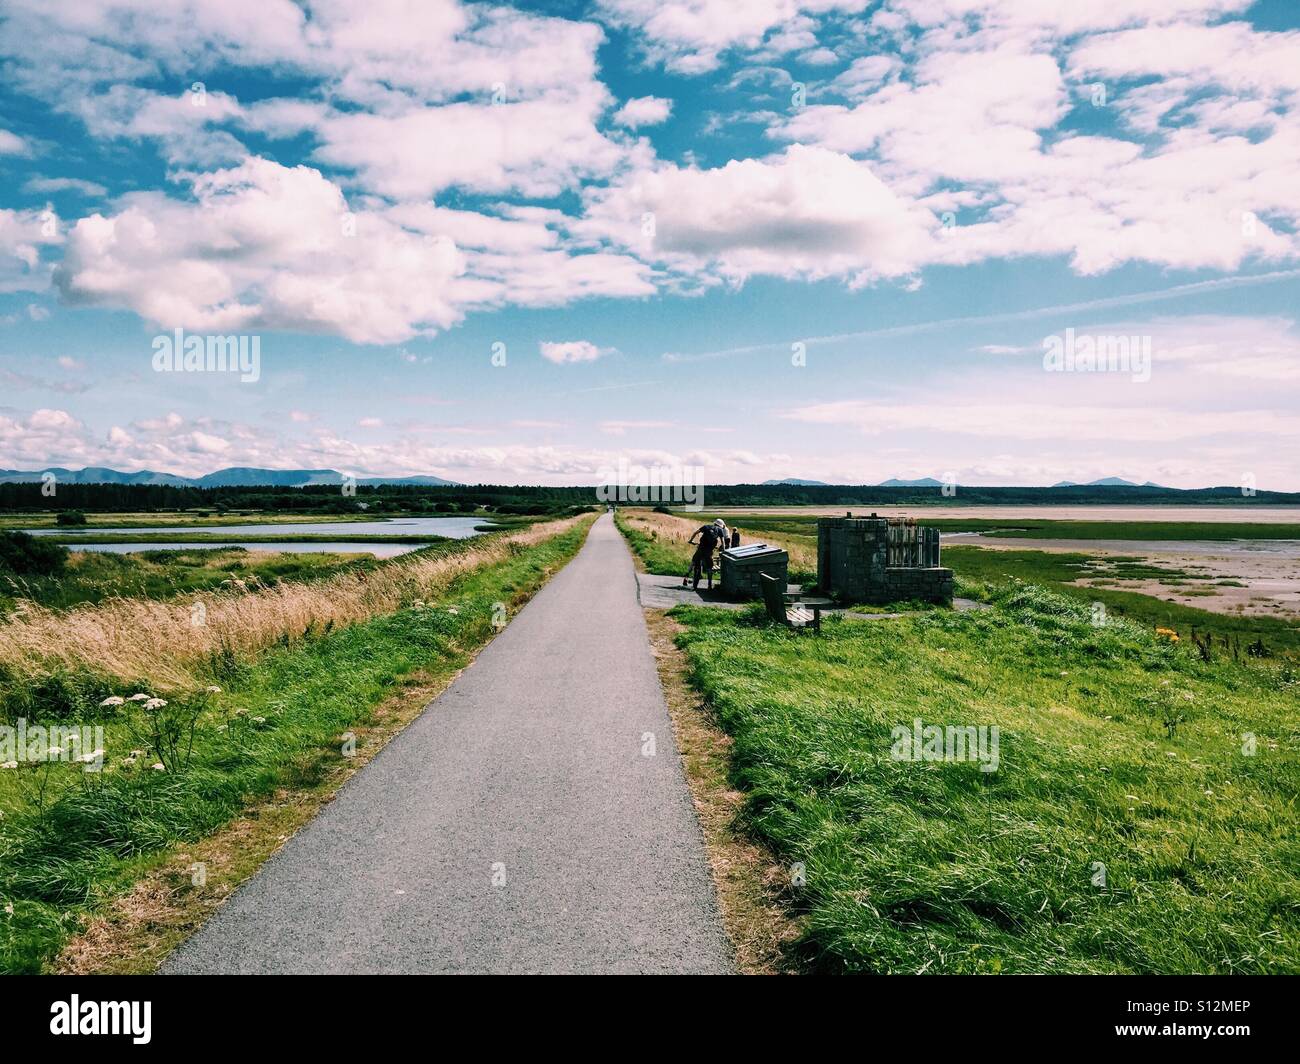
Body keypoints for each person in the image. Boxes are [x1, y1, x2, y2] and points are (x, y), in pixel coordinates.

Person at [683, 518, 727, 590]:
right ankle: (709, 585)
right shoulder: (720, 530)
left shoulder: (706, 527)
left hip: (701, 549)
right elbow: (723, 541)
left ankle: (686, 575)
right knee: (709, 567)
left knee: (693, 561)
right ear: (720, 525)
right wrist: (723, 550)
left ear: (714, 523)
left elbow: (695, 533)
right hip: (709, 551)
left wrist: (691, 540)